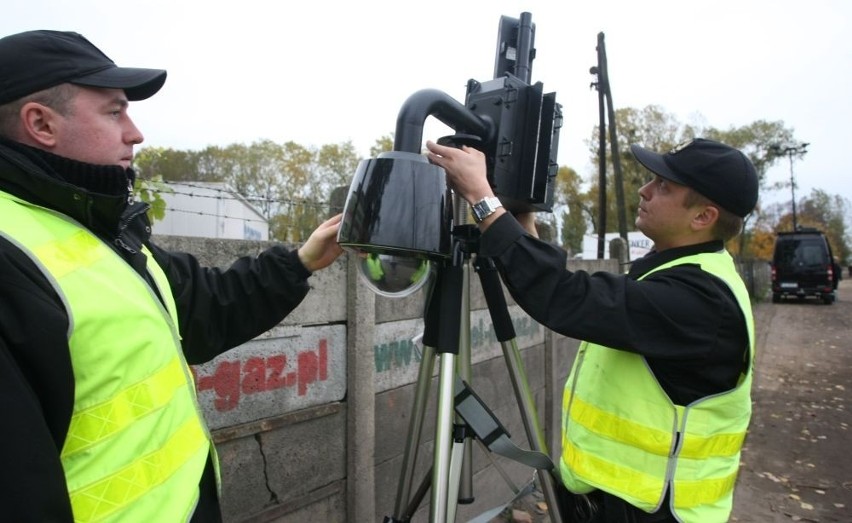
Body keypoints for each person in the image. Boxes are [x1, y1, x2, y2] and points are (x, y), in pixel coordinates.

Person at [0, 30, 343, 522]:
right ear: (41, 124)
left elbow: (203, 306)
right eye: (114, 111)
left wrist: (301, 261)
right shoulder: (12, 256)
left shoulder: (93, 226)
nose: (135, 132)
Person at [426, 137, 758, 523]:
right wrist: (519, 227)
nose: (644, 190)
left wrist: (482, 200)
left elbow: (567, 298)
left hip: (654, 512)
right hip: (611, 501)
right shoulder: (679, 271)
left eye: (664, 186)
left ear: (703, 217)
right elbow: (578, 298)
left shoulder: (699, 301)